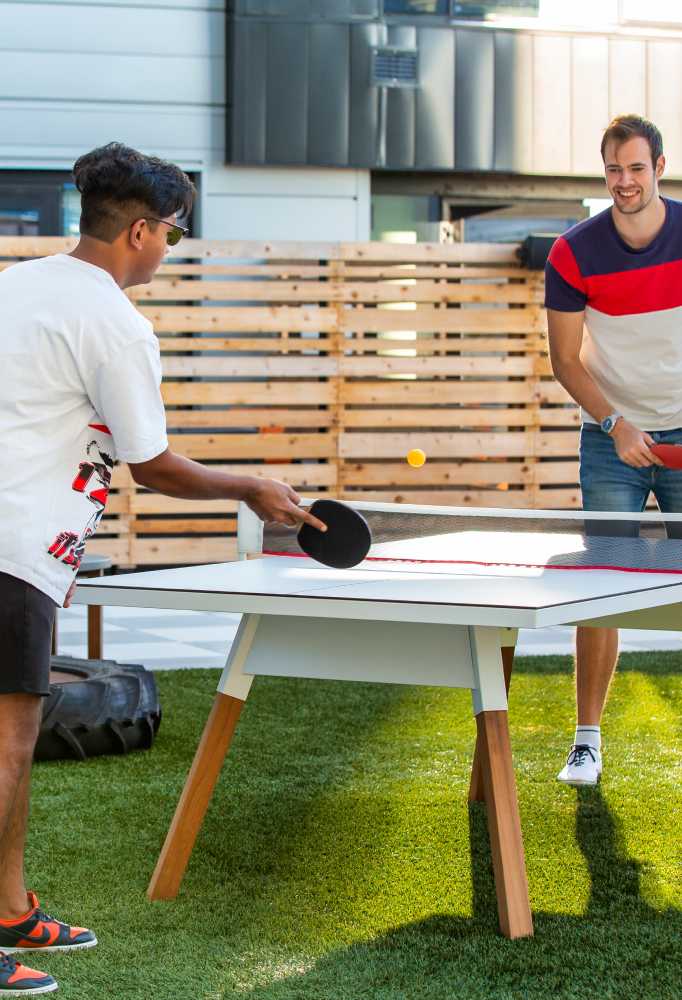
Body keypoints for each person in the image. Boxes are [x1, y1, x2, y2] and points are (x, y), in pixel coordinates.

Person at [0, 142, 325, 994]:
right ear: (138, 231)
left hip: (20, 554)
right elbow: (155, 467)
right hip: (9, 552)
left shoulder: (13, 285)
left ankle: (9, 908)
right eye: (174, 236)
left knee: (17, 739)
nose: (169, 250)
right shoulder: (113, 322)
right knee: (2, 747)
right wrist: (253, 485)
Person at [545, 114, 682, 786]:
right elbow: (566, 360)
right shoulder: (574, 252)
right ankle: (587, 741)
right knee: (601, 585)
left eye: (635, 168)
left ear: (659, 166)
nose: (624, 182)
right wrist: (616, 426)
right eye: (613, 170)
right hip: (613, 440)